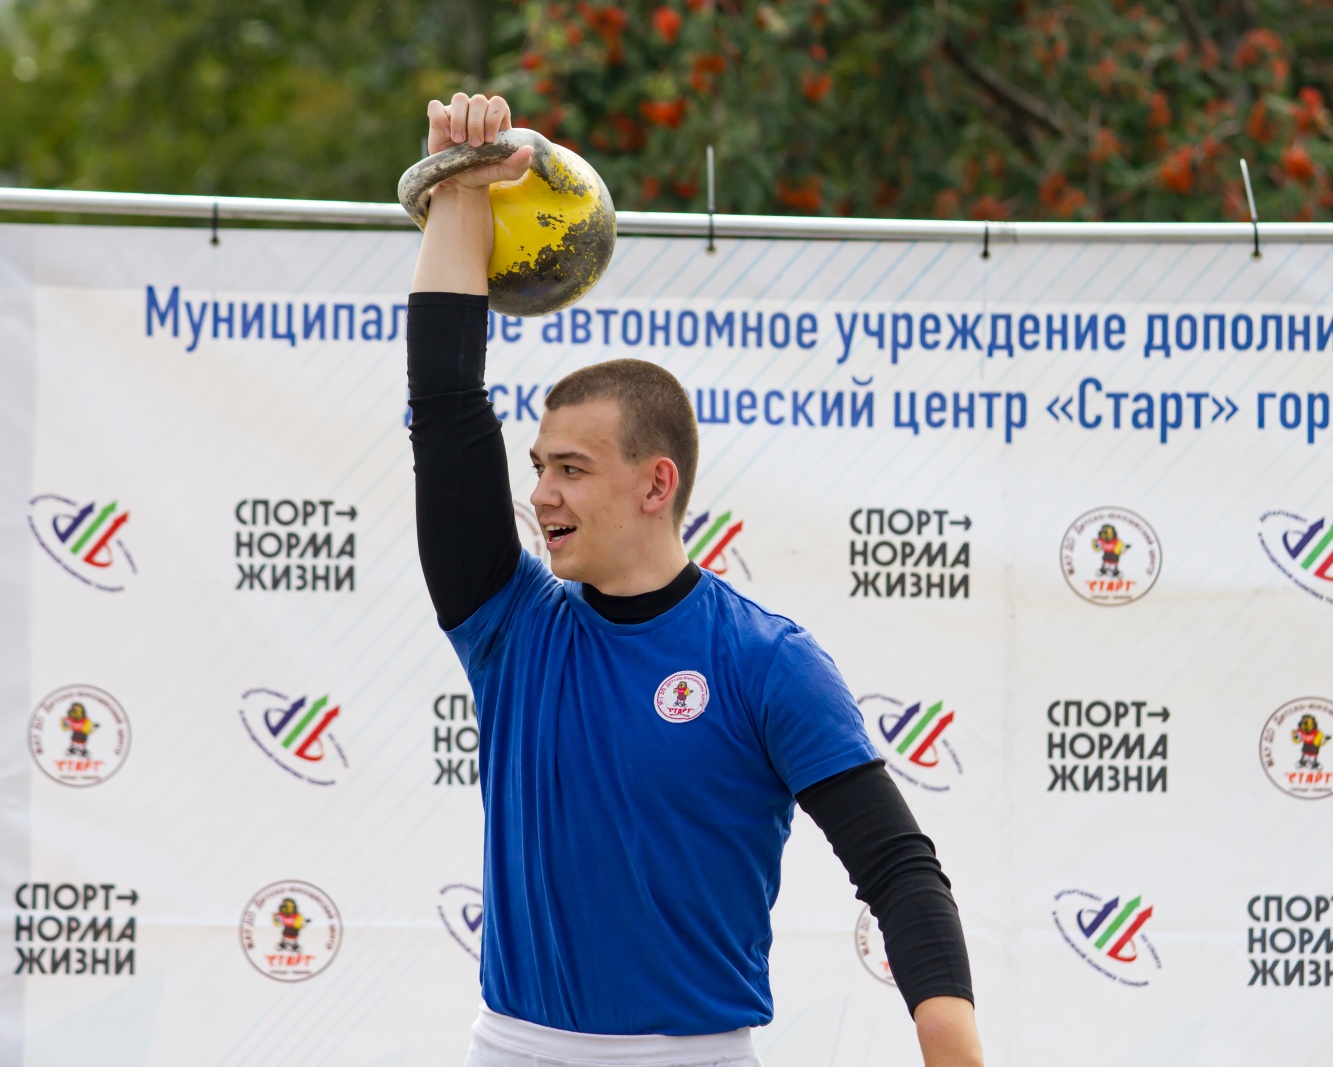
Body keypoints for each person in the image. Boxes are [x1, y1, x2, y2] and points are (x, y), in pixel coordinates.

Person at [408, 91, 984, 1067]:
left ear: (656, 483)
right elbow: (445, 404)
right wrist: (461, 189)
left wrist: (946, 1030)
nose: (539, 492)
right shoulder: (508, 624)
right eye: (539, 466)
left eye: (571, 468)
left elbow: (897, 866)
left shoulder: (764, 660)